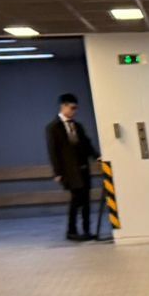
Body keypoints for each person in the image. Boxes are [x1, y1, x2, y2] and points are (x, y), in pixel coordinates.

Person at [46, 92, 98, 241]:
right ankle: (71, 231)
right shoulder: (53, 128)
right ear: (64, 106)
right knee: (76, 200)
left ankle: (87, 230)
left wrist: (97, 156)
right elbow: (53, 151)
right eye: (72, 108)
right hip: (69, 171)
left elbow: (87, 144)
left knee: (86, 201)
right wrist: (57, 172)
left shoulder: (78, 126)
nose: (74, 111)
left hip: (83, 168)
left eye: (76, 108)